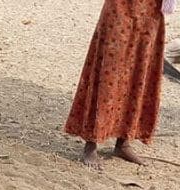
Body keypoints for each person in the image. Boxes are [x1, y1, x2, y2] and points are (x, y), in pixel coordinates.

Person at [65, 0, 166, 168]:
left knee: (141, 67)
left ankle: (123, 142)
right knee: (110, 66)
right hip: (121, 5)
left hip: (151, 7)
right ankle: (91, 143)